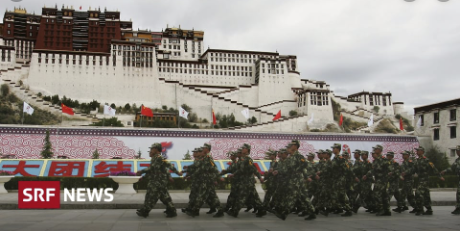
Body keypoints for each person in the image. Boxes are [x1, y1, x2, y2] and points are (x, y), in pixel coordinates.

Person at [136, 143, 180, 218]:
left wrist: (141, 171)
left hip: (158, 181)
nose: (150, 151)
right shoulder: (155, 158)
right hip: (157, 180)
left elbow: (167, 166)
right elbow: (154, 170)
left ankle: (145, 211)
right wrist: (144, 177)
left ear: (156, 149)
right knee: (164, 197)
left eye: (151, 149)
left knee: (151, 196)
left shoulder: (159, 157)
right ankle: (172, 210)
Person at [413, 146, 444, 215]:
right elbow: (413, 169)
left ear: (422, 152)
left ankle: (420, 209)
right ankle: (429, 209)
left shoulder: (426, 160)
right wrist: (405, 173)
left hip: (425, 180)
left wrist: (439, 176)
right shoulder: (417, 161)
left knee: (418, 193)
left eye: (418, 150)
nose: (417, 152)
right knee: (426, 195)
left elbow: (433, 168)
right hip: (420, 180)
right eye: (417, 150)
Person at [363, 145, 391, 216]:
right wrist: (367, 175)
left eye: (376, 149)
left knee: (377, 195)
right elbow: (373, 170)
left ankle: (381, 209)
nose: (375, 150)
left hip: (382, 180)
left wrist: (388, 175)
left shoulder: (383, 160)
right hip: (378, 180)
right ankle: (387, 210)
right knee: (384, 195)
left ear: (379, 150)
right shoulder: (376, 160)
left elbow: (390, 169)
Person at [441, 145, 460, 215]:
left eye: (458, 151)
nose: (457, 152)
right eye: (457, 151)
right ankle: (458, 208)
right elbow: (452, 168)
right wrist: (445, 171)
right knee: (458, 194)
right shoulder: (457, 160)